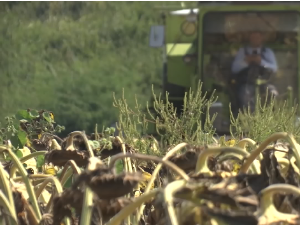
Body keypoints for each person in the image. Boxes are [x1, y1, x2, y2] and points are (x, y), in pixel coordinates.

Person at [231, 30, 278, 113]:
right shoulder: (242, 51)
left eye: (257, 37)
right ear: (250, 39)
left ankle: (271, 118)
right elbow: (234, 68)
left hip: (265, 83)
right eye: (253, 37)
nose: (255, 39)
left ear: (262, 38)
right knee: (245, 96)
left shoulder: (267, 52)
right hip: (246, 83)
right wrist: (246, 62)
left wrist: (261, 62)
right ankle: (250, 120)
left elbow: (274, 68)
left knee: (273, 94)